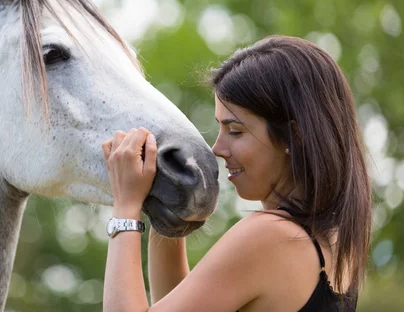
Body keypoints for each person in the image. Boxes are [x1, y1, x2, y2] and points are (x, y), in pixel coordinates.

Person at [101, 35, 371, 311]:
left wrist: (126, 208)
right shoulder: (331, 240)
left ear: (294, 136)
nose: (218, 148)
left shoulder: (271, 237)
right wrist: (170, 198)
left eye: (235, 131)